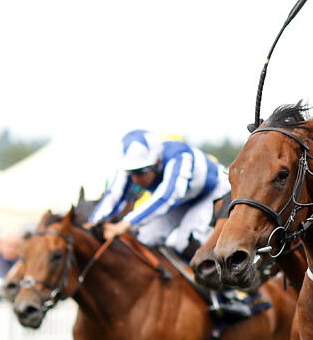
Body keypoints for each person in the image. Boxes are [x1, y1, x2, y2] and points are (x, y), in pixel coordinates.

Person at [88, 130, 250, 317]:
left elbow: (167, 197)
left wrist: (124, 224)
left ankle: (229, 294)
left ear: (157, 162)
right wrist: (93, 223)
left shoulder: (180, 156)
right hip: (181, 200)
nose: (136, 178)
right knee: (146, 238)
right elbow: (114, 195)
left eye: (141, 171)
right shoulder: (129, 166)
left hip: (209, 194)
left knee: (182, 241)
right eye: (131, 173)